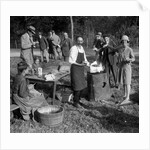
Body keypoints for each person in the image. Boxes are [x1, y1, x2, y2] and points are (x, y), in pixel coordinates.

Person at [69, 36, 90, 107]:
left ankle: (78, 100)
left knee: (82, 86)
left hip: (81, 69)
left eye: (81, 41)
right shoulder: (74, 48)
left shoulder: (82, 48)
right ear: (76, 41)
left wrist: (88, 64)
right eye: (78, 41)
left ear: (83, 41)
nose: (80, 42)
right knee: (77, 86)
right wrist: (80, 64)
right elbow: (71, 61)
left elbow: (84, 58)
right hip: (75, 68)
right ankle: (75, 102)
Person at [117, 35, 135, 105]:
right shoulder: (121, 50)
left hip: (127, 67)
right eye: (123, 41)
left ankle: (128, 97)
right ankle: (125, 95)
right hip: (122, 67)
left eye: (125, 41)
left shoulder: (130, 49)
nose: (124, 43)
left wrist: (129, 59)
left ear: (127, 42)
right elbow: (119, 58)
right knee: (124, 82)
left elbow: (133, 58)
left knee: (127, 82)